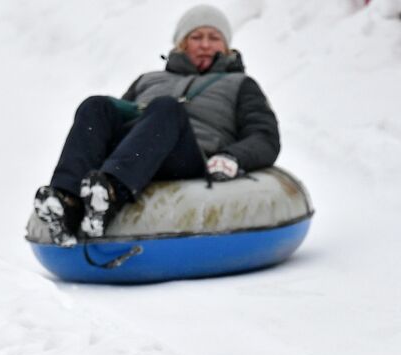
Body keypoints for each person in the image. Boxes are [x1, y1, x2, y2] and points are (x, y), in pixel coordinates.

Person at [32, 4, 281, 246]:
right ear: (182, 43)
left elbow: (264, 136)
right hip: (140, 154)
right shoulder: (148, 80)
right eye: (196, 37)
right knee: (95, 105)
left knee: (167, 107)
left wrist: (232, 156)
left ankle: (110, 195)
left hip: (186, 156)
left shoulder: (240, 84)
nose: (205, 44)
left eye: (214, 37)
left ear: (226, 45)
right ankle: (67, 200)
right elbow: (114, 122)